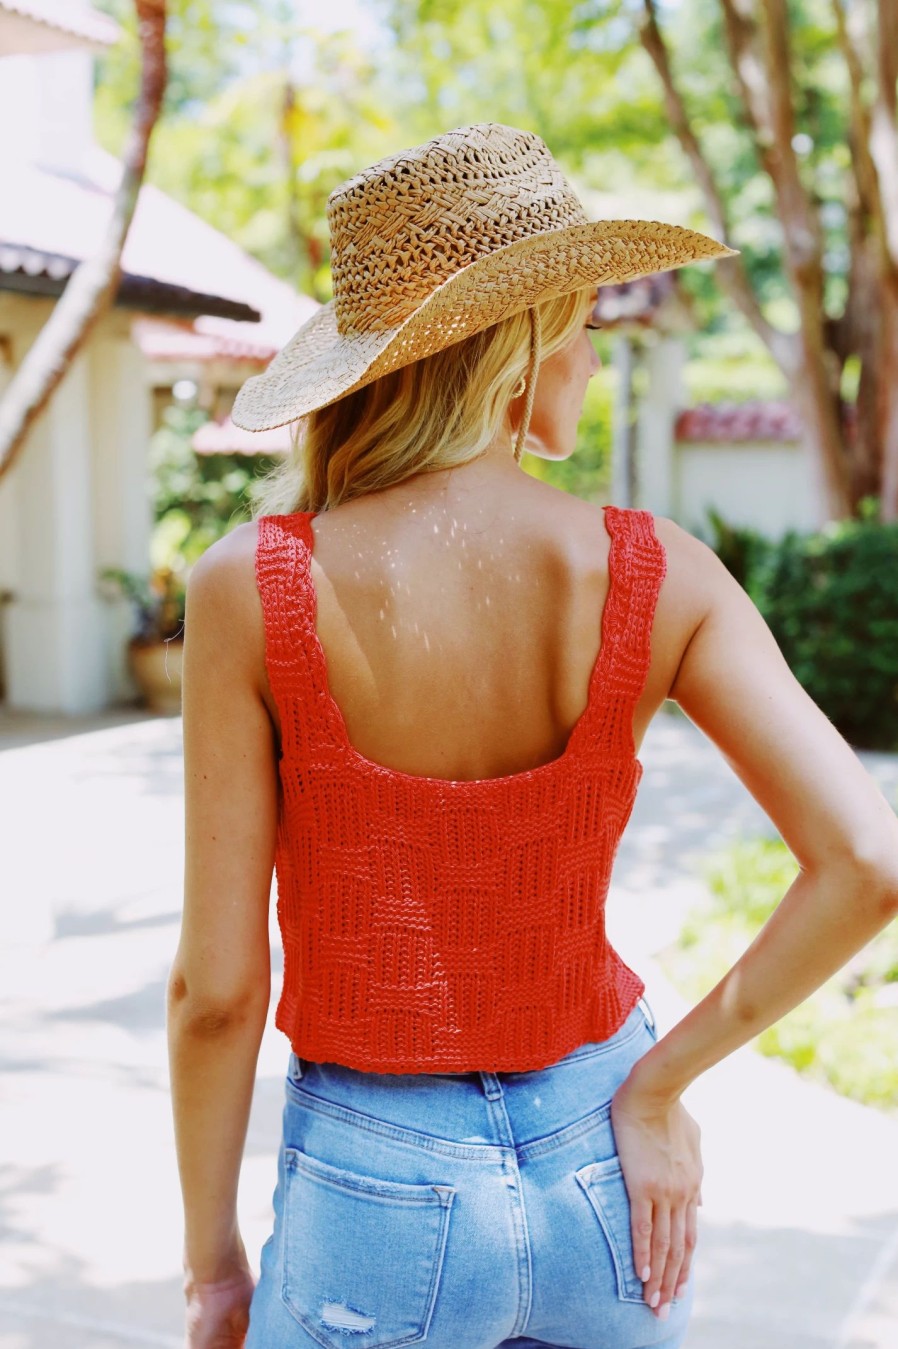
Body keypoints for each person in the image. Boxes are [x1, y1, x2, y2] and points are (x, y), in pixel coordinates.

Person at [166, 123, 898, 1349]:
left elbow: (217, 993)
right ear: (520, 342)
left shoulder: (254, 586)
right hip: (604, 1169)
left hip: (371, 1191)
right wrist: (659, 1085)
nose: (595, 362)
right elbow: (869, 863)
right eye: (587, 327)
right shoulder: (665, 575)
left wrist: (213, 1269)